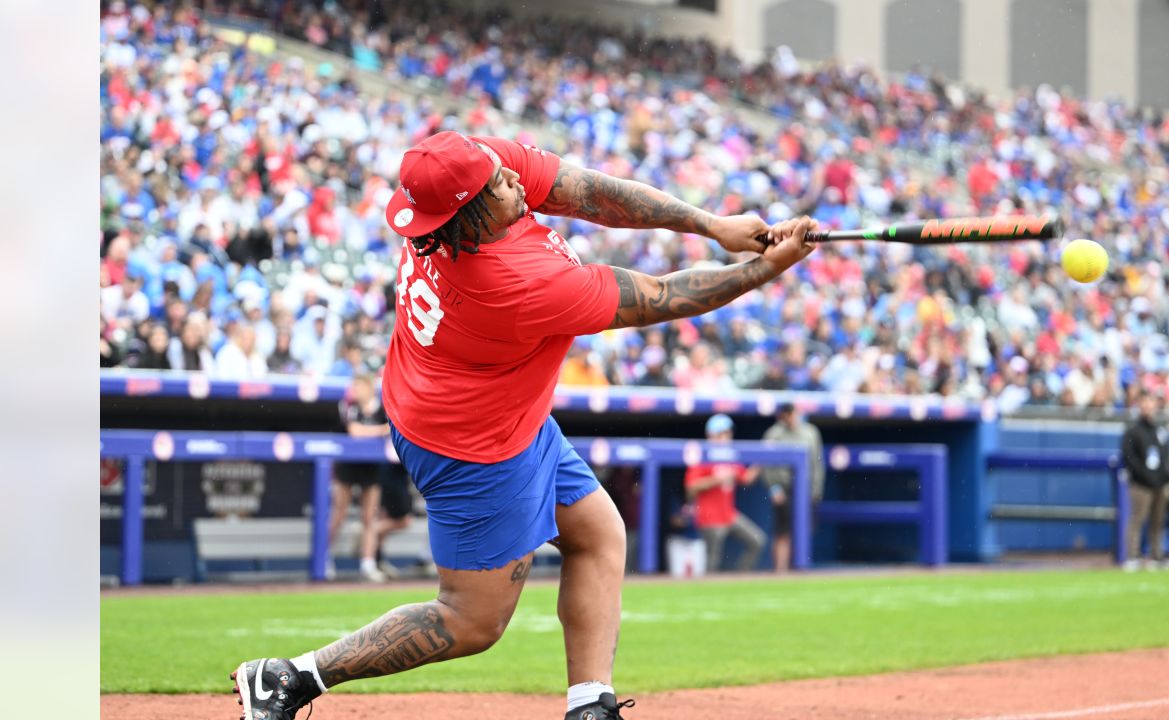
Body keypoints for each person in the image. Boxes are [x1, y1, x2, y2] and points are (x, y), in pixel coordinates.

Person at [232, 130, 817, 720]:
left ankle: (590, 707)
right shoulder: (512, 285)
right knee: (471, 619)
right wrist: (763, 269)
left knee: (597, 536)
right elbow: (663, 295)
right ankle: (289, 678)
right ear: (469, 216)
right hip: (472, 444)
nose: (513, 180)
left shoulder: (464, 170)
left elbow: (589, 192)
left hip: (487, 408)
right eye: (498, 186)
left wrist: (711, 223)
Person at [327, 374, 392, 583]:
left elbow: (392, 428)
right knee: (339, 512)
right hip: (347, 464)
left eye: (359, 386)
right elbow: (355, 431)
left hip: (371, 467)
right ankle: (325, 559)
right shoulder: (348, 406)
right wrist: (380, 430)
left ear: (369, 387)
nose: (355, 391)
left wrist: (380, 430)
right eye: (354, 387)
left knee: (369, 517)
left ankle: (368, 563)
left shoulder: (382, 407)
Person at [684, 414, 767, 573]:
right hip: (709, 517)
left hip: (729, 515)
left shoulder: (731, 456)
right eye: (722, 433)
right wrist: (716, 479)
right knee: (713, 562)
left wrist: (762, 457)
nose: (726, 437)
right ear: (711, 435)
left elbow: (747, 478)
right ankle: (706, 591)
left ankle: (740, 577)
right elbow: (691, 487)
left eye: (728, 433)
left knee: (757, 541)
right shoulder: (703, 455)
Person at [761, 402, 826, 572]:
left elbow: (817, 464)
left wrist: (816, 490)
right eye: (786, 414)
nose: (789, 417)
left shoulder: (810, 432)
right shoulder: (774, 434)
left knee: (804, 531)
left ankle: (797, 569)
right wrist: (774, 488)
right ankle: (780, 572)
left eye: (791, 413)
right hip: (783, 488)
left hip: (806, 489)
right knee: (783, 532)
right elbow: (766, 464)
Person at [1120, 390, 1169, 571]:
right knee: (1137, 519)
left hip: (1161, 484)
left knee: (1158, 522)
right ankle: (1133, 556)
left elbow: (1166, 456)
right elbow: (1130, 458)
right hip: (1141, 484)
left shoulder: (1160, 429)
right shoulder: (1132, 431)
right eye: (1144, 402)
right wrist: (1145, 477)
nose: (1147, 406)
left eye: (1150, 402)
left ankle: (1156, 555)